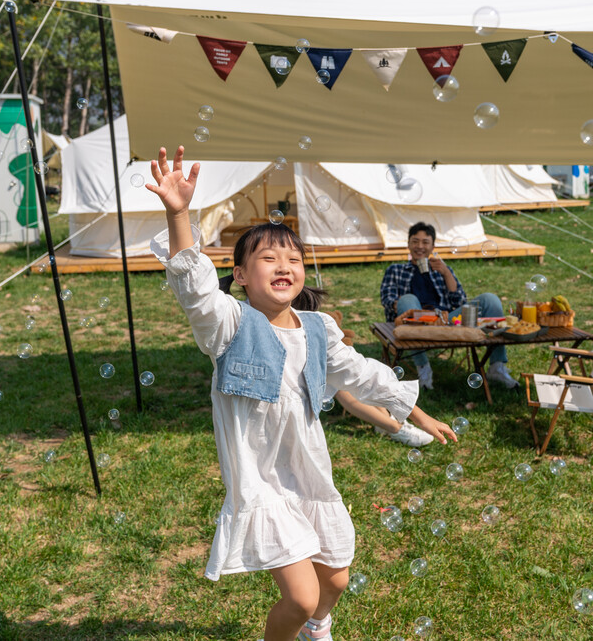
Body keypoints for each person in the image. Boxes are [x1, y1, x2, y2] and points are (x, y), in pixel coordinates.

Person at [147, 147, 453, 641]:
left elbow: (363, 374)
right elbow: (196, 287)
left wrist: (416, 413)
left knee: (335, 579)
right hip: (262, 482)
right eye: (267, 258)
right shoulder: (228, 324)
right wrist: (178, 212)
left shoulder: (318, 330)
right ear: (242, 277)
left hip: (308, 472)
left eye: (292, 257)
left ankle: (317, 626)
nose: (283, 264)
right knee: (300, 594)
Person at [379, 222, 519, 390]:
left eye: (425, 242)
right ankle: (423, 368)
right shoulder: (395, 270)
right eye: (415, 241)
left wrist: (446, 273)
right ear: (408, 244)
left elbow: (460, 303)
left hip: (445, 322)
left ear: (433, 246)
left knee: (490, 299)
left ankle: (497, 367)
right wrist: (406, 308)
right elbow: (387, 299)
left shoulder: (442, 269)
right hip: (413, 323)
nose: (420, 246)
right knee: (407, 299)